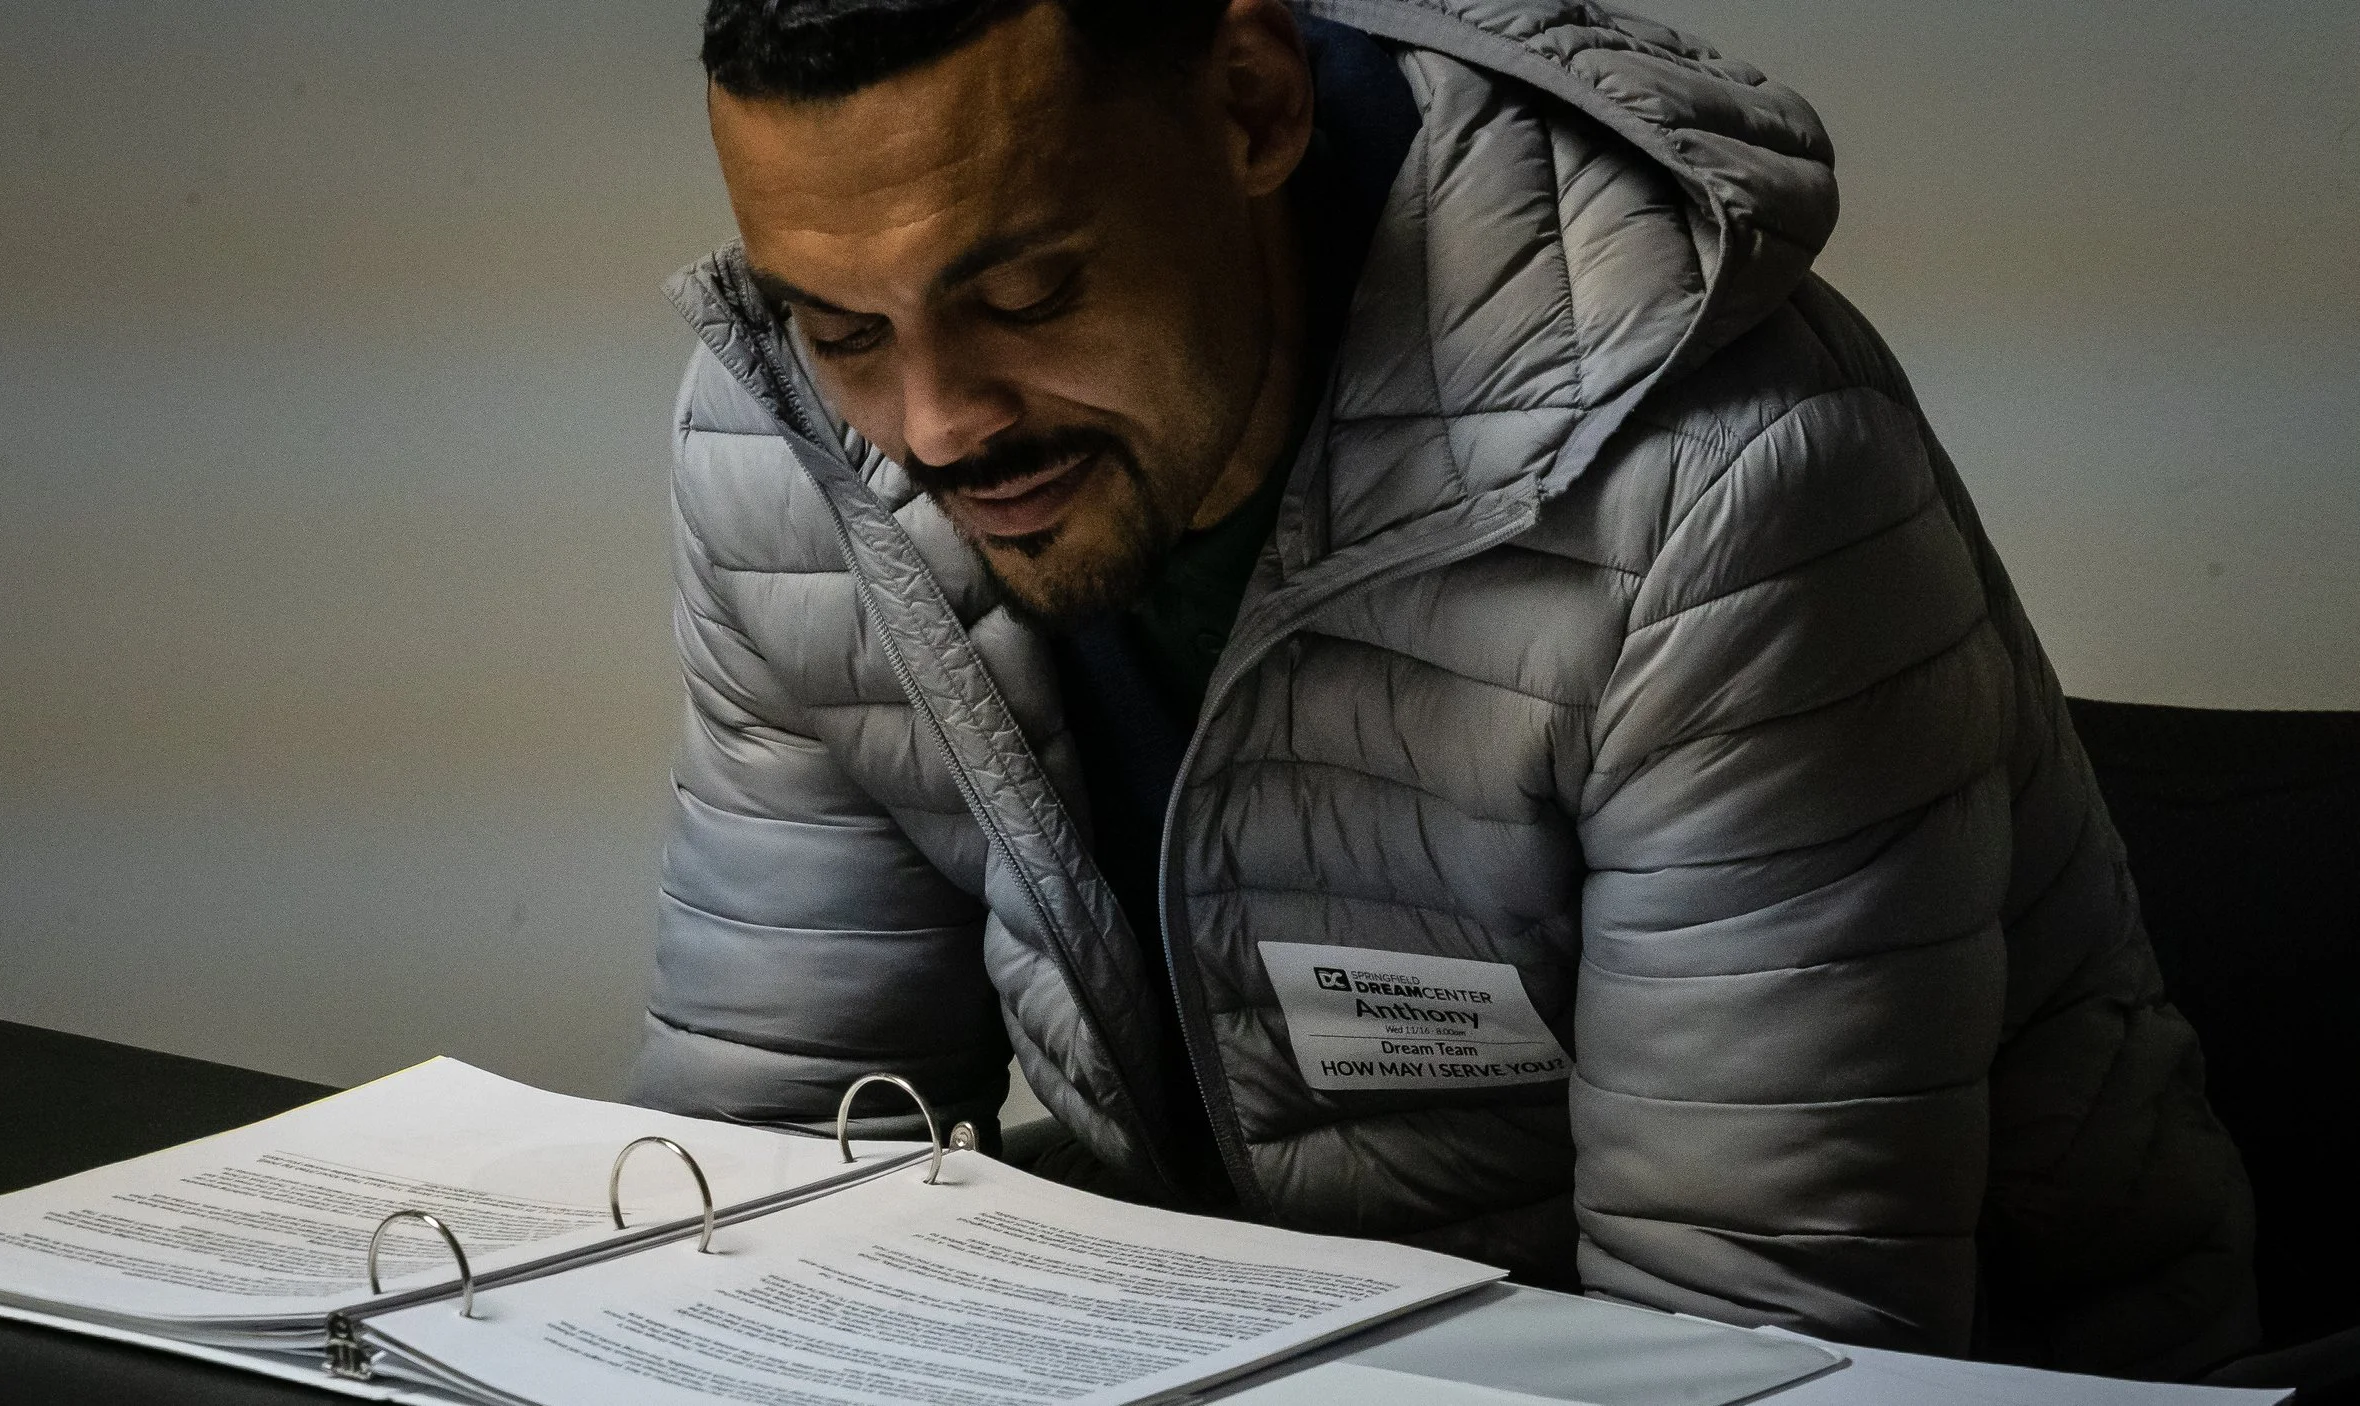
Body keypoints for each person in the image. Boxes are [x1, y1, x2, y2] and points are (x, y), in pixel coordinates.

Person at [627, 0, 2258, 1376]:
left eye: (1029, 293)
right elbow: (772, 1185)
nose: (932, 422)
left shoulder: (1713, 484)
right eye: (841, 323)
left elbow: (1756, 1351)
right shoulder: (797, 448)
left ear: (1249, 110)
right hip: (1270, 1346)